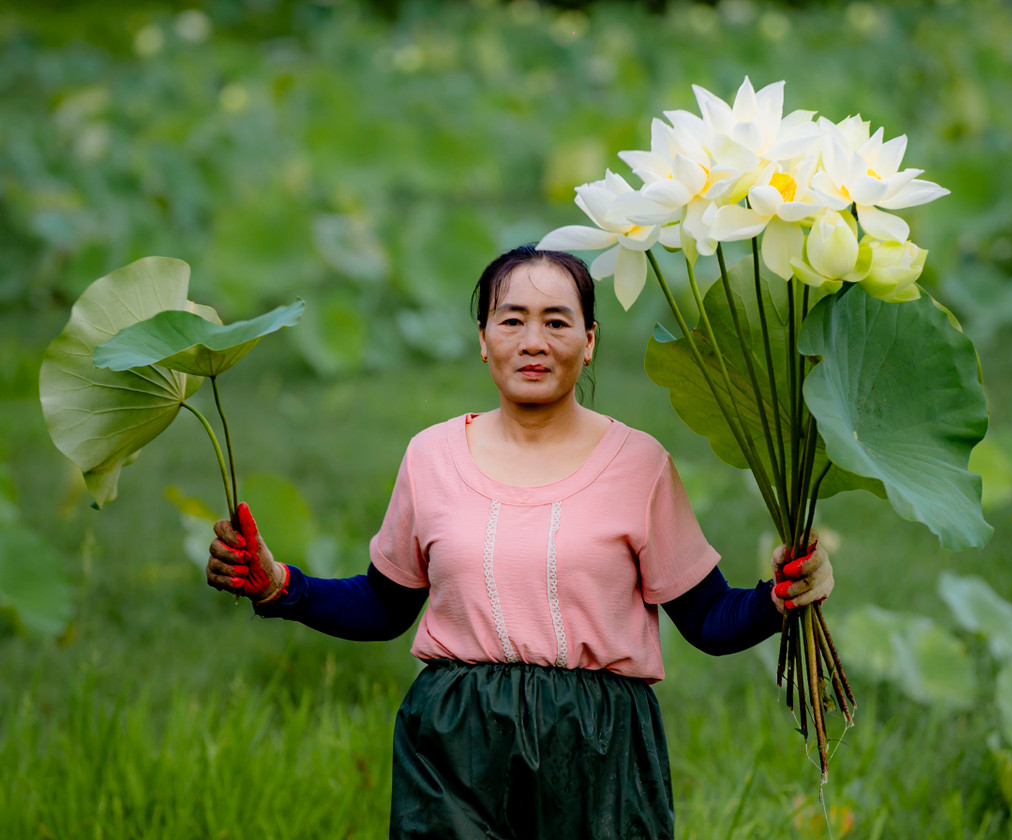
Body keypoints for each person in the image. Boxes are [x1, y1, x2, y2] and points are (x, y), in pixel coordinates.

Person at [206, 245, 833, 840]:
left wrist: (780, 597)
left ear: (589, 341)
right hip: (455, 741)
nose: (534, 341)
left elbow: (707, 619)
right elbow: (384, 605)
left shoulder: (638, 464)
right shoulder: (431, 456)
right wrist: (279, 586)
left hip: (599, 746)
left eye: (557, 322)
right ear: (483, 339)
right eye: (512, 320)